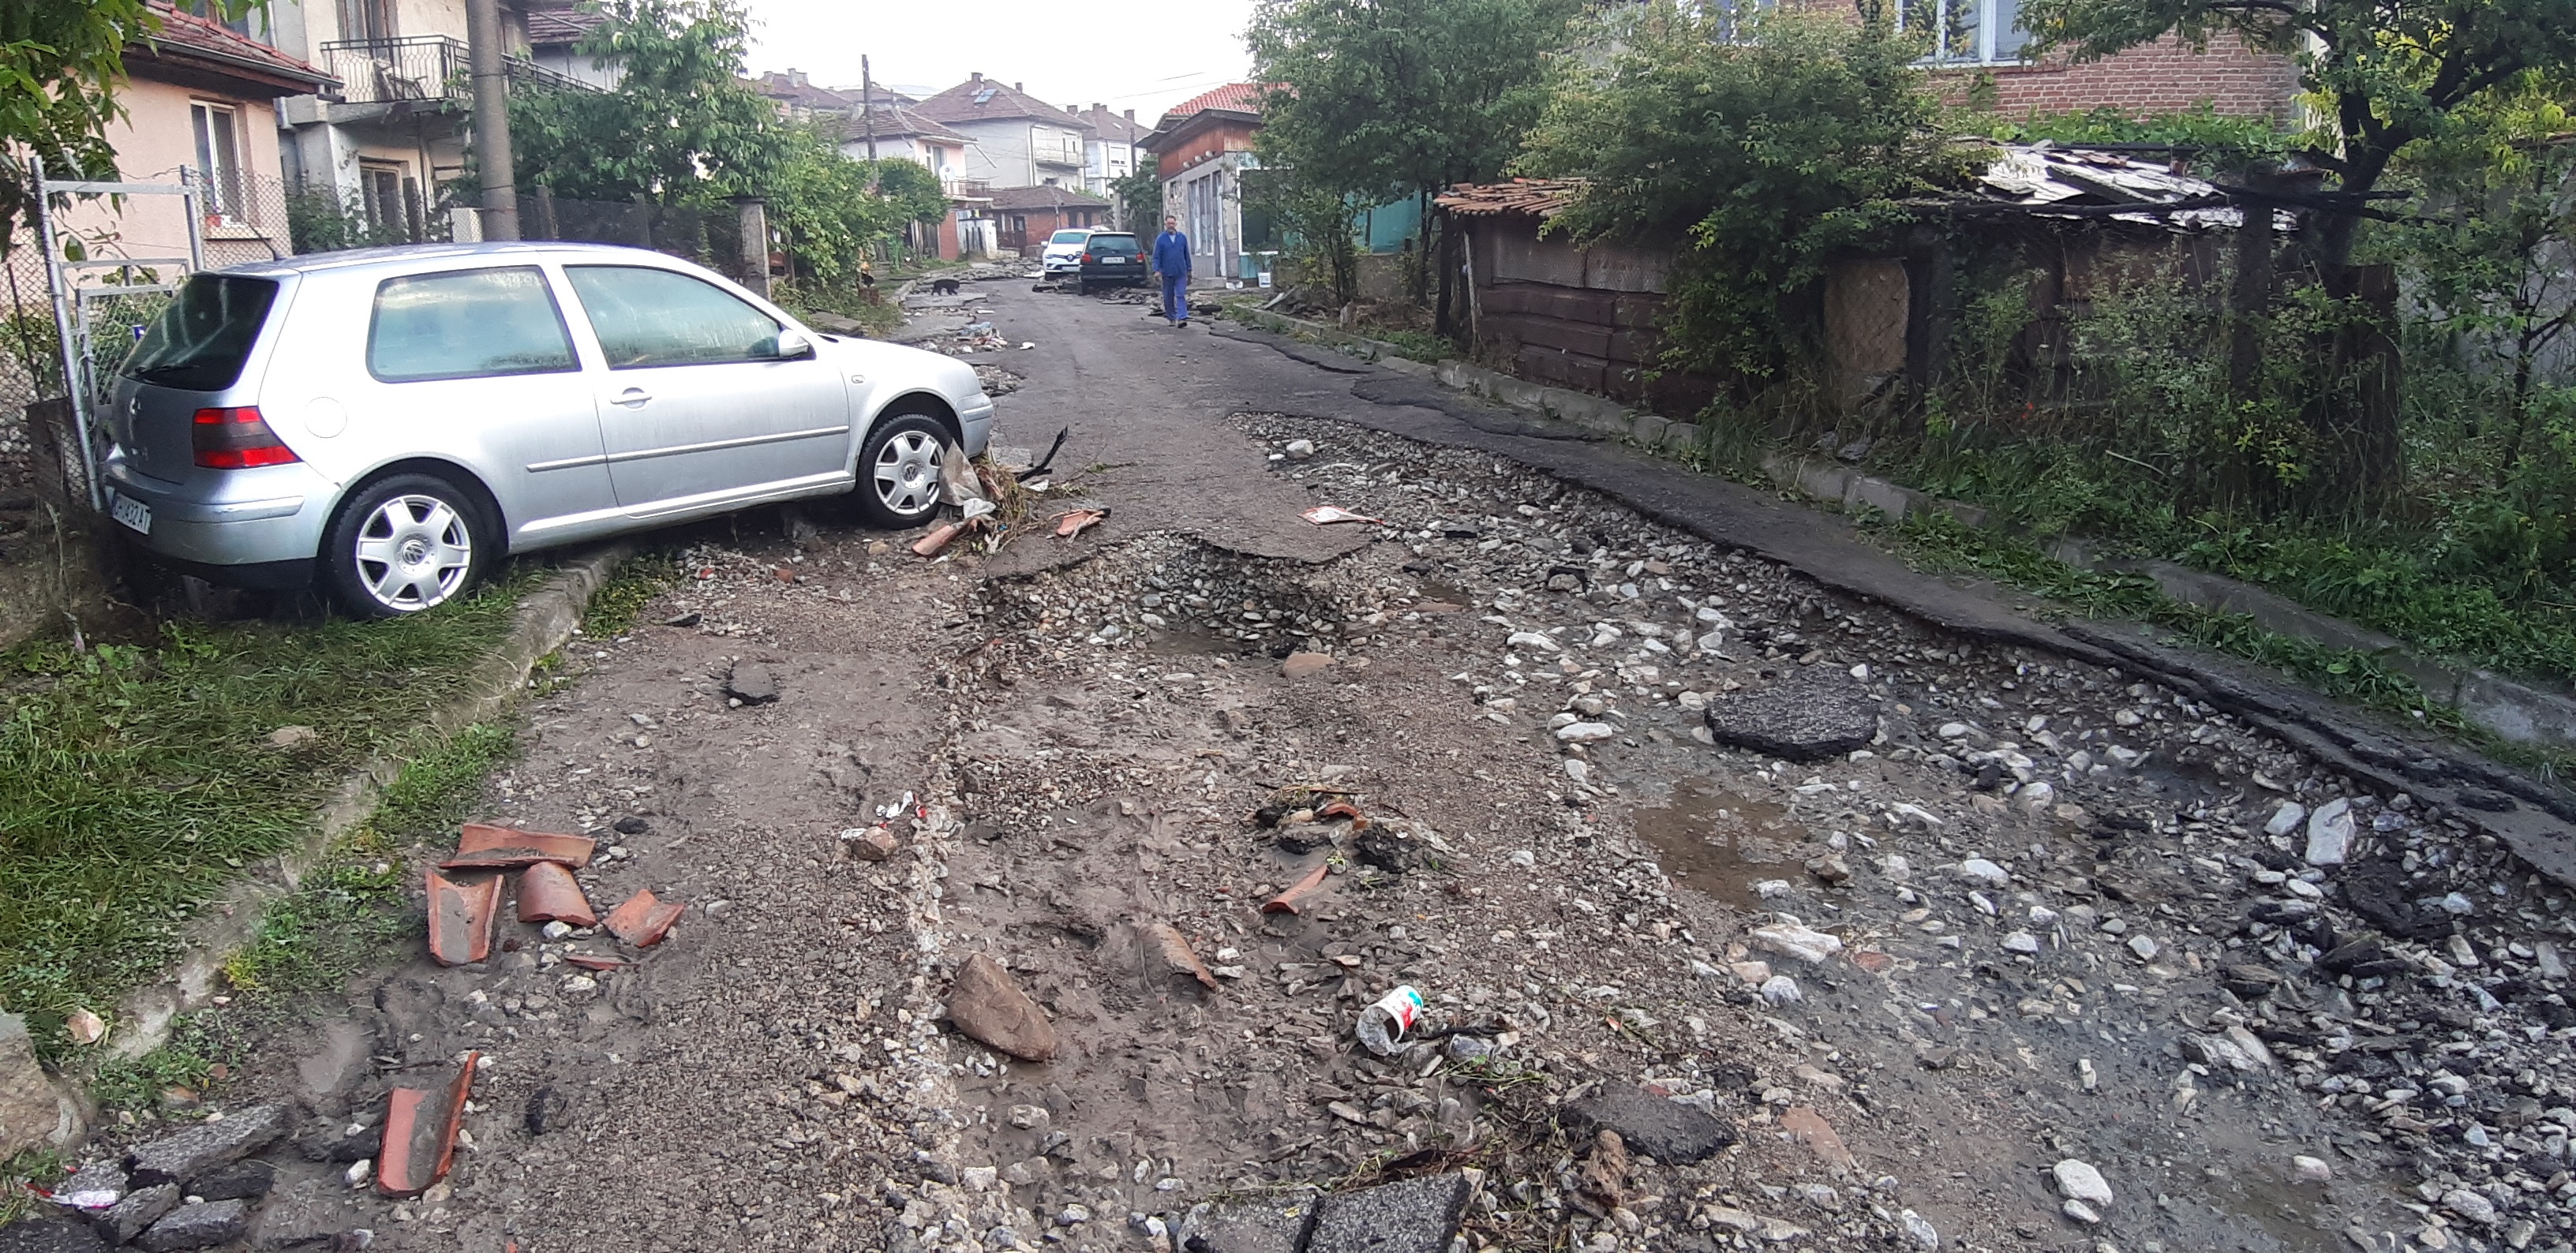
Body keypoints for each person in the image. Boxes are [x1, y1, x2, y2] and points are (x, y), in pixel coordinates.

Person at [1151, 215, 1192, 327]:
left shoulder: (1182, 238)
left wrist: (1189, 270)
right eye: (1169, 224)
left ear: (1175, 224)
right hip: (1167, 272)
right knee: (1168, 295)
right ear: (1166, 224)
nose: (1171, 226)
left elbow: (1186, 255)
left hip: (1180, 271)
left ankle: (1182, 317)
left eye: (1172, 224)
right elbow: (1156, 256)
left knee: (1180, 294)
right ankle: (1171, 317)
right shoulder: (1161, 239)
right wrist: (1157, 270)